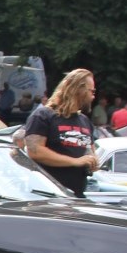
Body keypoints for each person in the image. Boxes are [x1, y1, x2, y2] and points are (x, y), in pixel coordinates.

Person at [23, 69, 99, 197]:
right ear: (79, 89)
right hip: (47, 197)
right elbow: (35, 151)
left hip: (76, 197)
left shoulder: (84, 120)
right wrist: (75, 161)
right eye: (92, 91)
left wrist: (92, 162)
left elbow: (89, 152)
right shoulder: (43, 115)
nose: (93, 96)